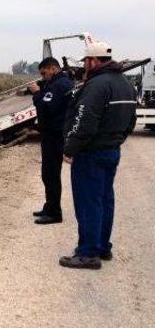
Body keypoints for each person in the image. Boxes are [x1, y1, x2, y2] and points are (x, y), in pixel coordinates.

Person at [59, 41, 137, 270]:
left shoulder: (96, 85)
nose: (84, 66)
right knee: (104, 199)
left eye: (85, 61)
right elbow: (131, 122)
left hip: (90, 153)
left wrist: (70, 149)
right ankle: (102, 246)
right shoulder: (126, 84)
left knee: (89, 202)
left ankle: (87, 253)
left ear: (93, 61)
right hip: (111, 151)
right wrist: (116, 141)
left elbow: (84, 122)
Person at [28, 57, 74, 224]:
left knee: (51, 174)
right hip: (51, 134)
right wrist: (41, 89)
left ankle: (54, 213)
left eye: (44, 72)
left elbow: (46, 106)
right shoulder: (57, 83)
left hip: (55, 135)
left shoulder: (59, 85)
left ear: (53, 69)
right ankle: (49, 206)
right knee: (48, 174)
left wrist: (36, 93)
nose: (42, 76)